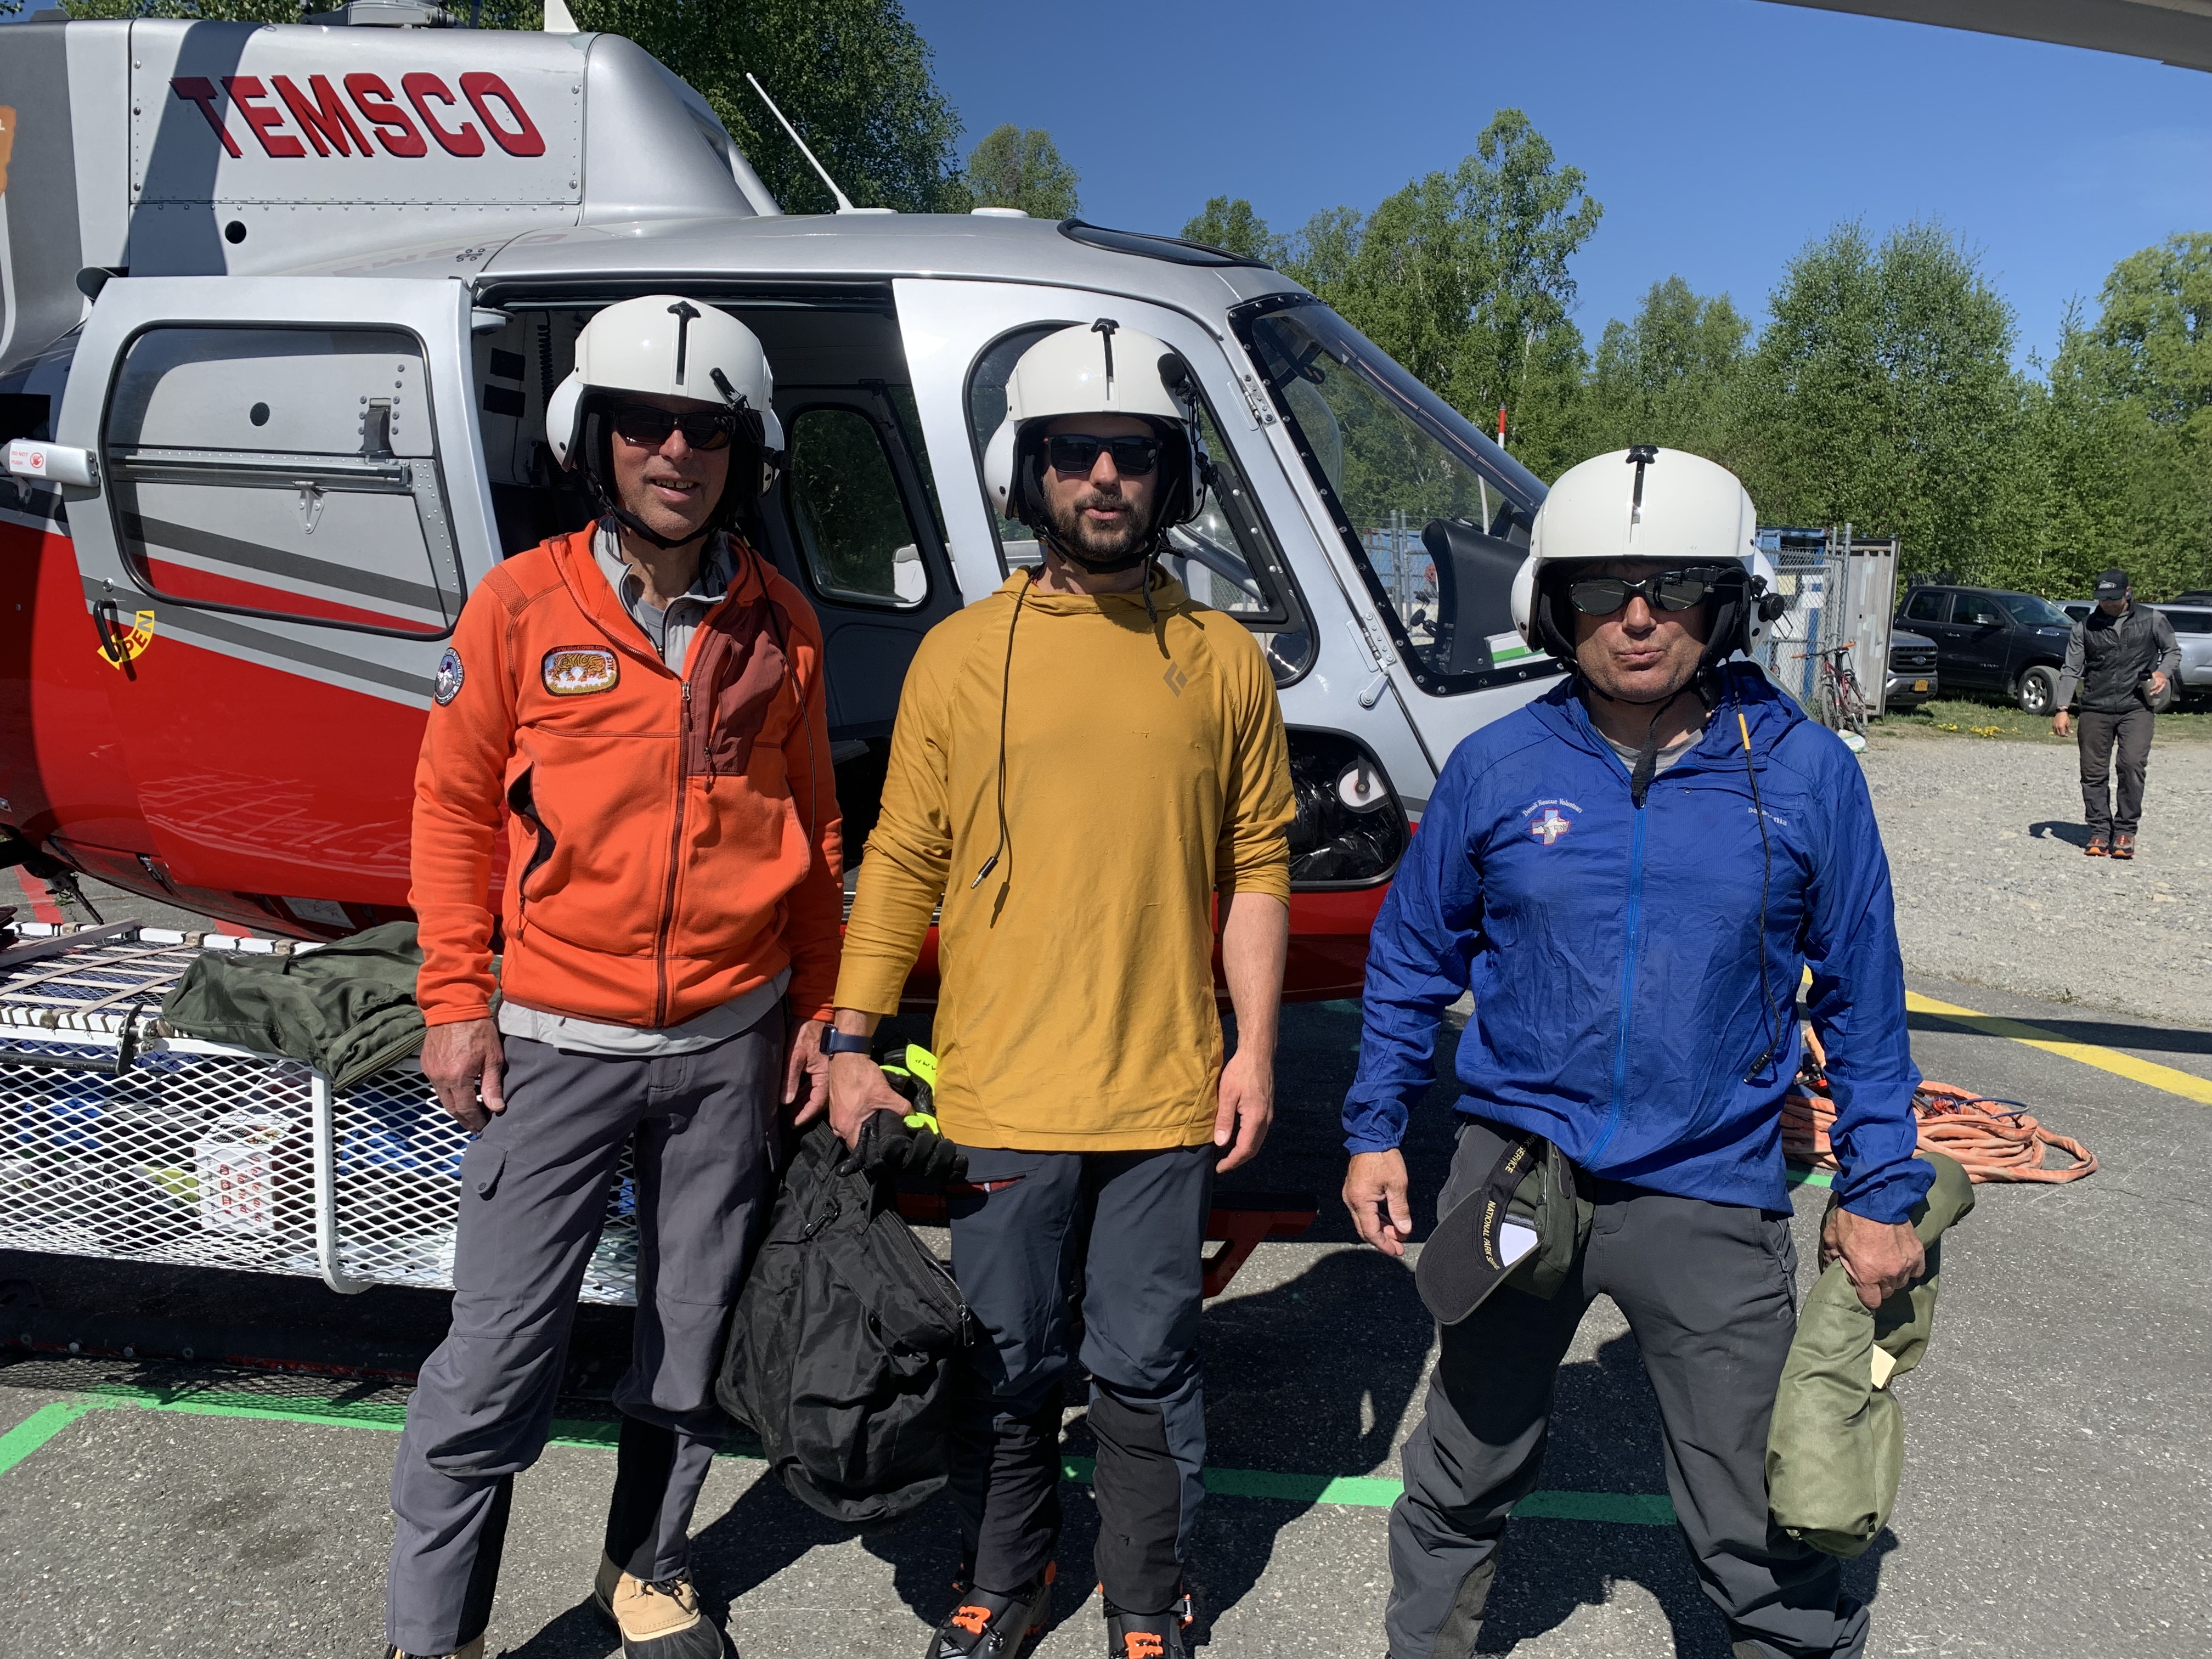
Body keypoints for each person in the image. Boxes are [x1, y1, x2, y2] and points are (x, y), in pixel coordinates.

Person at [1342, 447, 1932, 1659]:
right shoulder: (1498, 768)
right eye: (1606, 588)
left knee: (1766, 1509)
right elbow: (1408, 963)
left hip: (1709, 1189)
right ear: (1556, 604)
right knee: (1464, 1458)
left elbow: (1863, 999)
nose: (1639, 616)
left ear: (1728, 602)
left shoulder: (1806, 776)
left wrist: (1881, 1191)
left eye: (1671, 586)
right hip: (1517, 1174)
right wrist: (1371, 1132)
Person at [825, 321, 1294, 1659]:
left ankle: (1147, 1596)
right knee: (1007, 1360)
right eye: (1073, 454)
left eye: (1131, 455)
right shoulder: (962, 657)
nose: (1103, 477)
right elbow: (902, 856)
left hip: (1160, 1095)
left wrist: (1253, 1048)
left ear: (1173, 479)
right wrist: (852, 1036)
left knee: (1145, 1368)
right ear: (1024, 478)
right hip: (1003, 1093)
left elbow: (1257, 862)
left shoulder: (1223, 661)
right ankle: (1010, 1578)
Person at [387, 296, 843, 1659]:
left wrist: (822, 1013)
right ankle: (433, 1634)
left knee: (689, 1344)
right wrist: (455, 1002)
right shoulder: (522, 606)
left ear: (741, 454)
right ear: (594, 438)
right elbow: (453, 812)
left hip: (727, 1048)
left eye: (705, 430)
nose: (674, 452)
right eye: (643, 423)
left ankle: (644, 1572)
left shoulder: (784, 627)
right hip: (550, 1045)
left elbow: (817, 838)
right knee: (494, 1364)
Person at [2053, 567, 2179, 859]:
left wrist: (2162, 673)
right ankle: (2099, 830)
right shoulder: (2084, 627)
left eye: (2112, 596)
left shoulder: (2152, 620)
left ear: (2127, 592)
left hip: (2137, 707)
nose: (2107, 602)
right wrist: (2062, 708)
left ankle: (2125, 830)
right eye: (2101, 597)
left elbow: (2172, 651)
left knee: (2132, 765)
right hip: (2096, 707)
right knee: (2093, 772)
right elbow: (2071, 669)